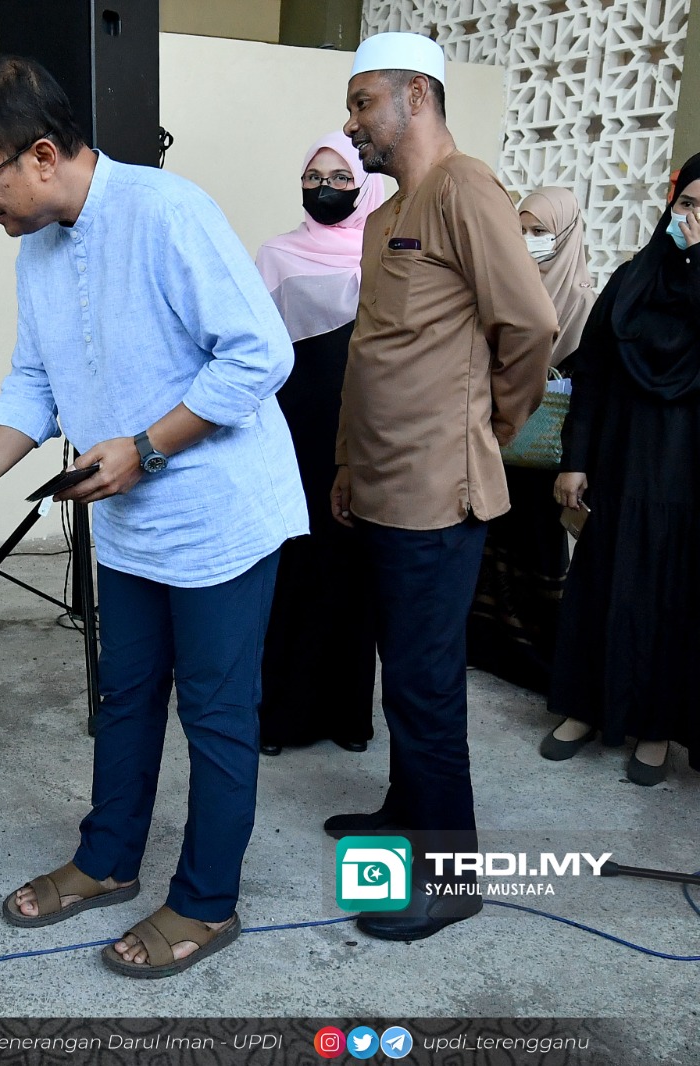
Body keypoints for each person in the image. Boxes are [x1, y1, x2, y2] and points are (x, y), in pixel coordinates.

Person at [0, 57, 306, 979]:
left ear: (42, 154)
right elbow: (37, 380)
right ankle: (107, 862)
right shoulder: (39, 248)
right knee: (123, 697)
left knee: (216, 713)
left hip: (217, 519)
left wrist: (146, 446)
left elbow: (260, 357)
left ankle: (208, 903)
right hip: (129, 523)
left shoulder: (169, 212)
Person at [328, 32, 556, 940]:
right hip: (377, 483)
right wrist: (347, 461)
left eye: (363, 103)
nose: (353, 126)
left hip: (436, 489)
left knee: (426, 685)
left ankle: (453, 874)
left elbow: (530, 324)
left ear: (416, 95)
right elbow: (373, 351)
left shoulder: (466, 188)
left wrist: (492, 432)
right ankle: (403, 813)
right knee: (401, 670)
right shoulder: (387, 214)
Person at [543, 156, 700, 786]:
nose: (694, 219)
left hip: (686, 476)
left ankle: (655, 728)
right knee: (601, 581)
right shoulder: (634, 278)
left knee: (671, 597)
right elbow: (594, 376)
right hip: (620, 462)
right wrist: (575, 461)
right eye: (687, 204)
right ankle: (584, 709)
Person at [253, 131, 387, 757]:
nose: (324, 188)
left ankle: (346, 715)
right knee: (293, 568)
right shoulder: (277, 254)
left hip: (365, 428)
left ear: (363, 182)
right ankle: (280, 715)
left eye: (339, 176)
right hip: (295, 428)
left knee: (354, 568)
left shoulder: (387, 251)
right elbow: (254, 348)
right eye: (313, 177)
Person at [468, 187, 595, 692]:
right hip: (498, 442)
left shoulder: (586, 303)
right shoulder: (503, 288)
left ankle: (541, 662)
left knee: (540, 553)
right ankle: (487, 647)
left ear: (565, 236)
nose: (527, 242)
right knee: (490, 544)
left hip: (546, 453)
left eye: (540, 232)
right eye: (520, 231)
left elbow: (591, 384)